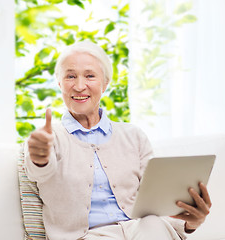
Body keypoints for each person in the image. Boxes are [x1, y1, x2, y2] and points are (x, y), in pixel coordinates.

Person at [24, 41, 211, 240]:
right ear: (60, 83)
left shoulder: (133, 136)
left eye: (90, 76)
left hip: (141, 231)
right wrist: (39, 156)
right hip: (88, 237)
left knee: (152, 223)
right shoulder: (49, 138)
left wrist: (189, 223)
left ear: (105, 83)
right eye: (70, 76)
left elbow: (155, 201)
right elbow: (39, 169)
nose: (79, 86)